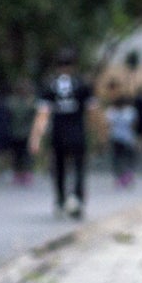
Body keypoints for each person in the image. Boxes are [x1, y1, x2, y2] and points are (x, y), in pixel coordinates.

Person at [29, 49, 96, 218]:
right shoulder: (82, 84)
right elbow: (93, 112)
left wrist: (36, 137)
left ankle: (60, 201)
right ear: (74, 65)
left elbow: (43, 115)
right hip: (77, 134)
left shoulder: (49, 85)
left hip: (58, 135)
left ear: (56, 65)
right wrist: (100, 133)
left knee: (59, 167)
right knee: (79, 166)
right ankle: (77, 199)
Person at [6, 80, 37, 185]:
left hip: (27, 133)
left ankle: (26, 173)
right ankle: (18, 173)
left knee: (26, 155)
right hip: (15, 133)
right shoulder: (12, 102)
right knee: (17, 155)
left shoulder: (31, 102)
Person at [106, 95, 138, 187]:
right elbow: (134, 124)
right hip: (122, 138)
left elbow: (109, 125)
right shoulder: (129, 112)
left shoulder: (113, 112)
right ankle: (123, 176)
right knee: (121, 158)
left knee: (121, 158)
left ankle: (124, 176)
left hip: (122, 138)